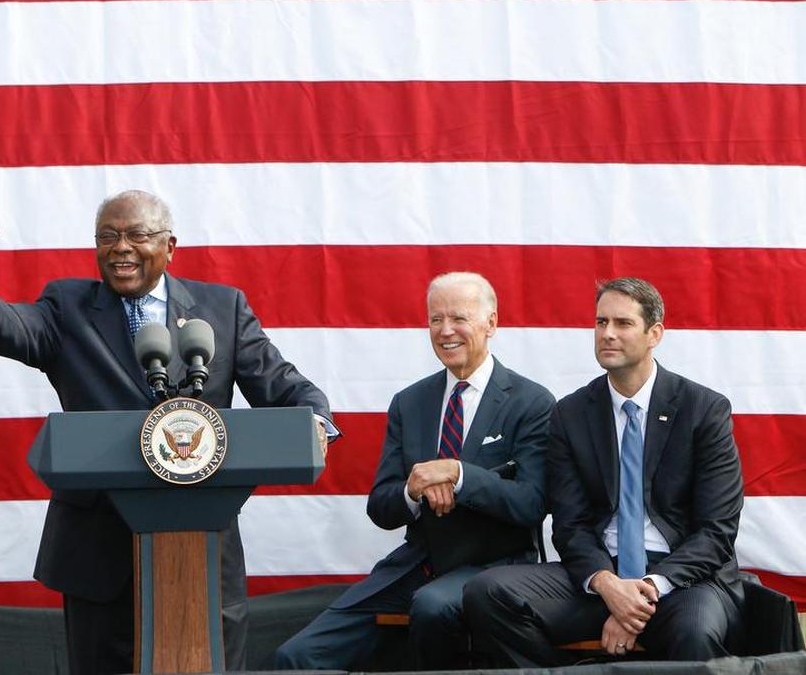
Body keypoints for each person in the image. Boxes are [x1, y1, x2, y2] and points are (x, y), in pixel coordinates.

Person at [0, 190, 336, 675]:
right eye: (108, 237)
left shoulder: (221, 309)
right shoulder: (66, 306)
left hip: (200, 551)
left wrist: (314, 421)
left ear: (169, 245)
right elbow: (6, 329)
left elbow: (280, 383)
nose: (121, 248)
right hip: (99, 549)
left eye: (137, 235)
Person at [275, 272, 553, 670]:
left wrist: (458, 476)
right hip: (415, 565)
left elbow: (532, 503)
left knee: (432, 607)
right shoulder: (410, 402)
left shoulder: (531, 402)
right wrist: (415, 488)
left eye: (458, 318)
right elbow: (382, 506)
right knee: (297, 656)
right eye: (435, 320)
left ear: (491, 323)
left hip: (495, 567)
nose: (445, 331)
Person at [463, 277, 744, 665]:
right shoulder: (571, 413)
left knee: (696, 633)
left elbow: (717, 532)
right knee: (487, 593)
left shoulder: (704, 410)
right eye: (600, 323)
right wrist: (608, 585)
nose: (607, 334)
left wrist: (643, 591)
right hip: (599, 576)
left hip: (682, 581)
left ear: (654, 334)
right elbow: (570, 525)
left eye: (623, 324)